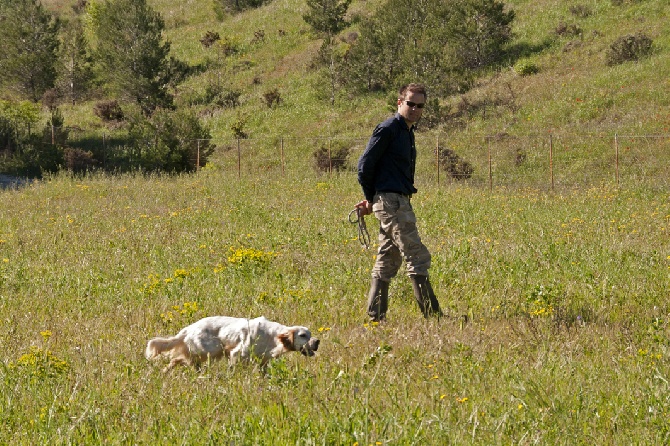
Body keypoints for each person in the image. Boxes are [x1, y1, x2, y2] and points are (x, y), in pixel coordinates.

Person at [355, 83, 442, 321]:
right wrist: (372, 198)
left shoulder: (406, 131)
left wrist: (374, 200)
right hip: (391, 201)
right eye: (410, 103)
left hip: (396, 199)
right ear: (399, 103)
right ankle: (433, 316)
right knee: (416, 254)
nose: (414, 109)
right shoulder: (389, 128)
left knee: (388, 256)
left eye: (419, 105)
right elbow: (364, 166)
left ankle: (375, 317)